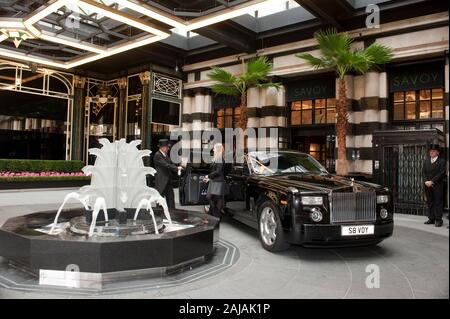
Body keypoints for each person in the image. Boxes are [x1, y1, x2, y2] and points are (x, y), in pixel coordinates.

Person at [422, 144, 446, 227]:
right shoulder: (426, 160)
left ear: (438, 153)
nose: (431, 152)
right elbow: (424, 172)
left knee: (438, 202)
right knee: (430, 202)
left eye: (433, 151)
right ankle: (431, 218)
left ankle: (439, 220)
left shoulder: (442, 161)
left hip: (437, 185)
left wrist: (432, 181)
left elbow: (442, 173)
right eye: (430, 151)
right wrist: (426, 181)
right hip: (427, 185)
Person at [153, 139, 181, 210]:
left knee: (171, 200)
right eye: (167, 147)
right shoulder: (157, 155)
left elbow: (170, 164)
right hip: (161, 182)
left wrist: (178, 167)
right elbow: (166, 165)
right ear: (162, 147)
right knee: (160, 201)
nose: (168, 148)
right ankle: (159, 217)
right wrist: (177, 168)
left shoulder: (165, 155)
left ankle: (172, 215)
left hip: (168, 181)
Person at [203, 143, 225, 220]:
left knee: (216, 198)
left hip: (218, 181)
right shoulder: (216, 158)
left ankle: (216, 215)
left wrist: (208, 176)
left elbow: (218, 171)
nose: (213, 149)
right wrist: (209, 178)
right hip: (214, 180)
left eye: (214, 148)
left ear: (218, 149)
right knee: (210, 197)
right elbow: (215, 171)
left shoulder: (220, 159)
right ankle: (214, 213)